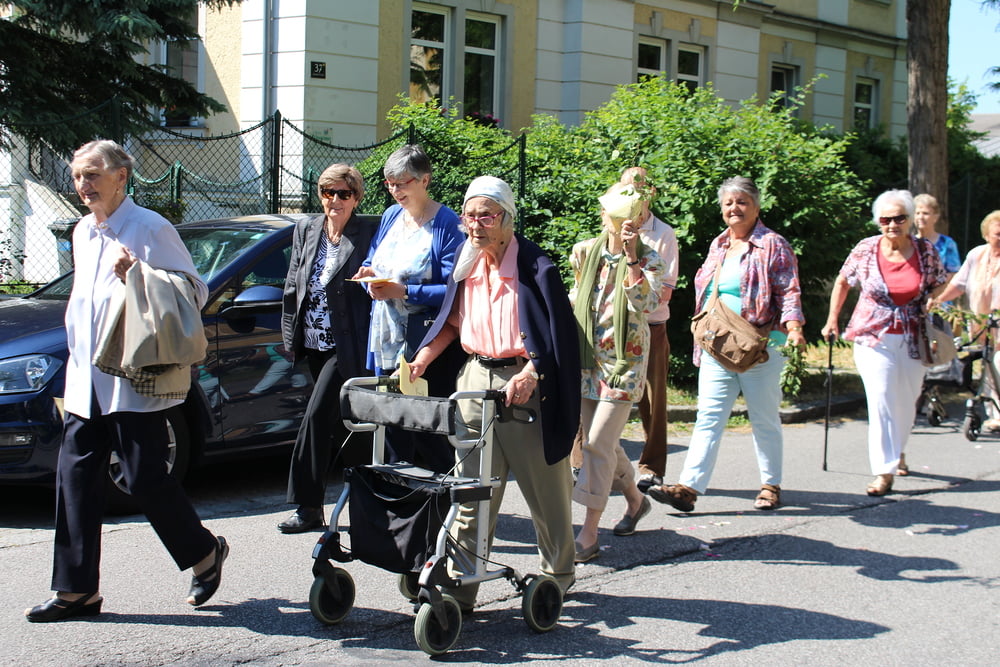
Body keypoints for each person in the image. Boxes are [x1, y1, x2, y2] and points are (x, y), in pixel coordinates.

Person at [25, 140, 226, 622]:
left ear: (121, 176)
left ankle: (204, 552)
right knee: (74, 478)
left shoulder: (150, 227)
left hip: (133, 376)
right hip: (85, 378)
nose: (83, 185)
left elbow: (194, 291)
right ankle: (76, 591)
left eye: (93, 174)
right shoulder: (82, 230)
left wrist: (140, 272)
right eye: (78, 176)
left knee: (142, 477)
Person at [408, 175, 580, 611]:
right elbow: (451, 322)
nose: (475, 224)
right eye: (469, 215)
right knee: (472, 490)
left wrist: (533, 372)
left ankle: (557, 576)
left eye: (486, 216)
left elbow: (561, 337)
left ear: (507, 218)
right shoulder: (465, 263)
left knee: (546, 488)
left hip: (523, 383)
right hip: (474, 379)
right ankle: (461, 586)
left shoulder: (536, 267)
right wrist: (422, 359)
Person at [648, 177, 805, 513]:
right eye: (729, 203)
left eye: (742, 202)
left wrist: (794, 328)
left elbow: (789, 289)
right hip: (718, 345)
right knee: (708, 416)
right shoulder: (719, 244)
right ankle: (688, 488)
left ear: (756, 207)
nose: (735, 208)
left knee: (764, 418)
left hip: (761, 347)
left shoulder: (773, 244)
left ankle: (770, 485)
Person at [822, 189, 947, 496]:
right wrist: (832, 319)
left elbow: (940, 284)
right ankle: (883, 471)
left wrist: (934, 300)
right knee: (881, 399)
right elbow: (843, 281)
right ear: (878, 221)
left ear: (909, 219)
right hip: (872, 335)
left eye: (899, 218)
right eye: (885, 219)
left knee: (907, 401)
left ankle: (898, 448)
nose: (892, 224)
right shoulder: (866, 248)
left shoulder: (925, 250)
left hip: (913, 335)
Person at [276, 164, 376, 533]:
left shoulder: (367, 232)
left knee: (316, 417)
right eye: (327, 192)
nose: (335, 200)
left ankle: (307, 506)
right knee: (344, 427)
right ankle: (374, 501)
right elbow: (294, 282)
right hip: (313, 342)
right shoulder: (307, 228)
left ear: (356, 197)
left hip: (347, 344)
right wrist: (290, 336)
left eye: (343, 194)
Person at [570, 183, 666, 562]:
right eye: (616, 215)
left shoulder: (651, 258)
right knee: (603, 444)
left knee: (595, 444)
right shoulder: (584, 252)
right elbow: (576, 299)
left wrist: (632, 259)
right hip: (588, 361)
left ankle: (589, 532)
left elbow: (648, 303)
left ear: (639, 220)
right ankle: (636, 501)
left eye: (632, 217)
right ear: (604, 215)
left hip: (626, 364)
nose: (624, 222)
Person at [352, 144, 463, 472]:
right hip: (386, 337)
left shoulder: (446, 223)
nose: (395, 191)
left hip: (426, 341)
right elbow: (374, 257)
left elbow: (454, 291)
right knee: (392, 425)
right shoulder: (391, 216)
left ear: (425, 180)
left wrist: (404, 291)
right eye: (389, 184)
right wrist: (368, 273)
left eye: (402, 183)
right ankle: (398, 496)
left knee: (428, 433)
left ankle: (443, 495)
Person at [621, 167, 679, 492]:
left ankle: (652, 468)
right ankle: (582, 463)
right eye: (627, 189)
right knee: (596, 393)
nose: (633, 196)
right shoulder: (613, 226)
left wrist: (635, 272)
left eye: (639, 189)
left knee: (653, 400)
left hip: (651, 325)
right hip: (615, 327)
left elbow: (663, 293)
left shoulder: (664, 234)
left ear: (651, 194)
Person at [929, 210, 1000, 431]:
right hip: (981, 322)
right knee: (988, 365)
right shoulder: (976, 255)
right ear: (986, 235)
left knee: (999, 363)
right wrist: (939, 300)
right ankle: (995, 414)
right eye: (998, 234)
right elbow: (959, 284)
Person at [914, 194, 961, 277]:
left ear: (935, 217)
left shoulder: (947, 243)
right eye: (917, 213)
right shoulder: (908, 242)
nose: (920, 217)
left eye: (925, 213)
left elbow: (954, 274)